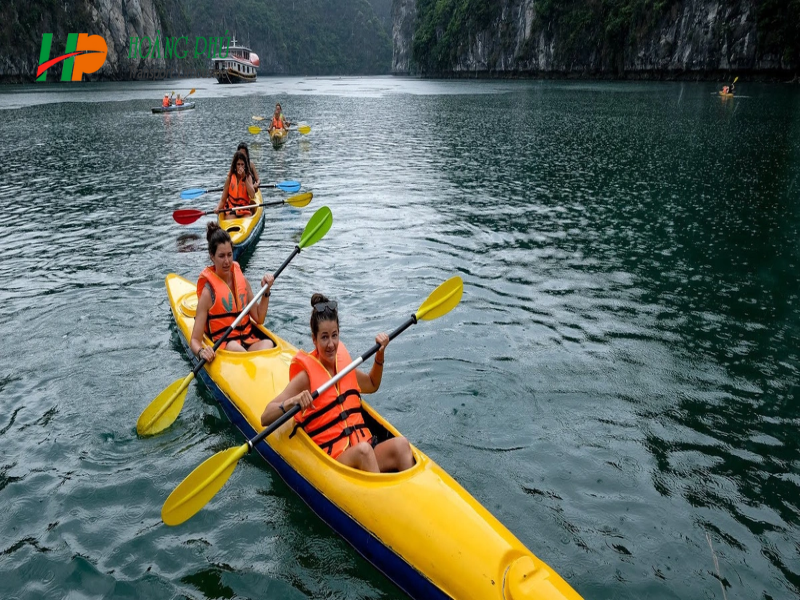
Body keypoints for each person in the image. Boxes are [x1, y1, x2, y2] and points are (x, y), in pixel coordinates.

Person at [261, 294, 414, 473]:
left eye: (334, 336)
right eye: (324, 337)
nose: (331, 344)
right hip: (336, 459)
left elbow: (372, 384)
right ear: (314, 339)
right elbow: (265, 417)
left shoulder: (344, 368)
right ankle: (385, 499)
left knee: (402, 445)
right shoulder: (306, 378)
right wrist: (291, 401)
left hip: (365, 447)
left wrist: (380, 355)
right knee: (363, 452)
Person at [190, 222, 276, 361]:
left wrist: (266, 291)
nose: (227, 261)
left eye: (230, 255)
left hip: (248, 342)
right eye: (221, 256)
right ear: (212, 256)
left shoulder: (242, 281)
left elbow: (259, 318)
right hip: (226, 348)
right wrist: (201, 352)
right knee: (235, 347)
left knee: (268, 343)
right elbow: (194, 340)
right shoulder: (208, 293)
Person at [216, 150, 256, 217]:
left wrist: (244, 178)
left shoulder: (248, 177)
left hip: (244, 209)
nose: (240, 167)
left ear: (245, 165)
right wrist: (218, 208)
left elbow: (252, 195)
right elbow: (223, 199)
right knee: (230, 219)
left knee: (247, 219)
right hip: (231, 208)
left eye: (242, 164)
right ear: (235, 165)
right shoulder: (229, 178)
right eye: (238, 164)